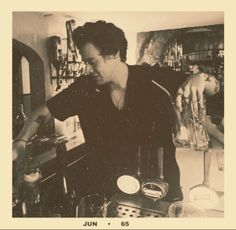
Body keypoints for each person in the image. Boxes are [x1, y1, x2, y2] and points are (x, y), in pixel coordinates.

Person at [12, 20, 211, 203]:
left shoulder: (154, 78)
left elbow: (214, 88)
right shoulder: (84, 88)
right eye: (85, 62)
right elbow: (43, 111)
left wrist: (201, 78)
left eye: (92, 61)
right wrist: (21, 141)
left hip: (158, 191)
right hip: (106, 193)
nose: (87, 69)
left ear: (114, 53)